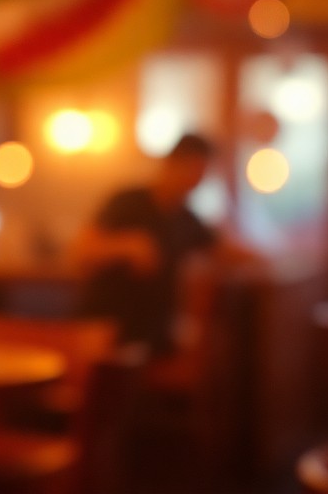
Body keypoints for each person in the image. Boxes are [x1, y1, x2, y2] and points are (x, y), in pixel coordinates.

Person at [70, 134, 260, 356]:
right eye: (193, 169)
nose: (196, 179)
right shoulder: (128, 201)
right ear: (172, 163)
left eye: (202, 172)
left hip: (153, 330)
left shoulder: (187, 218)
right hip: (107, 324)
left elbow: (224, 251)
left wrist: (275, 257)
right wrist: (127, 245)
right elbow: (81, 252)